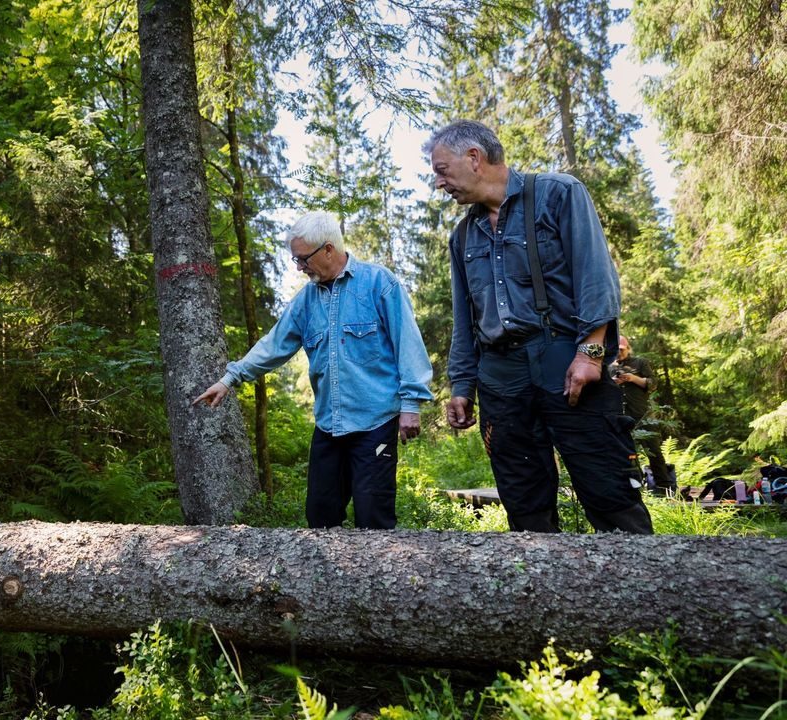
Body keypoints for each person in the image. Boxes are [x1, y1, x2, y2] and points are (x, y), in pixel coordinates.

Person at [424, 120, 653, 534]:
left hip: (568, 364)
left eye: (442, 169)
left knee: (609, 491)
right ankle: (544, 594)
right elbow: (466, 320)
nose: (438, 182)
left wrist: (591, 353)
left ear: (474, 158)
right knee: (525, 505)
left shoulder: (559, 193)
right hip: (501, 380)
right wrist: (462, 387)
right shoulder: (462, 237)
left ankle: (645, 592)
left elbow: (596, 279)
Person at [193, 211, 433, 530]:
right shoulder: (305, 301)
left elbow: (409, 345)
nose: (299, 267)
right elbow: (273, 344)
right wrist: (230, 378)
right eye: (295, 260)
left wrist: (411, 405)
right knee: (319, 514)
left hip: (375, 422)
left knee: (373, 516)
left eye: (303, 259)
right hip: (329, 426)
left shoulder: (379, 284)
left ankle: (373, 580)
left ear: (328, 249)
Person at [610, 335, 674, 492]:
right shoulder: (608, 367)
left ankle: (664, 487)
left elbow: (653, 384)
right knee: (628, 454)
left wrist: (633, 378)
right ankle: (636, 487)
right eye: (616, 350)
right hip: (619, 417)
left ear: (628, 348)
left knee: (653, 451)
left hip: (642, 416)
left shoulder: (640, 363)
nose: (618, 353)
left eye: (621, 350)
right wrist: (612, 382)